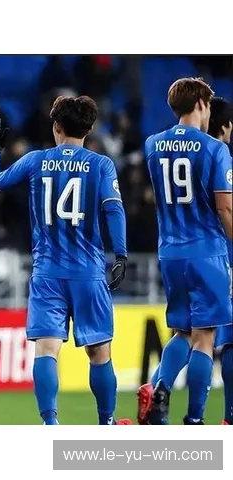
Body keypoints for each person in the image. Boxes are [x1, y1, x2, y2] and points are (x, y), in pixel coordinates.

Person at [0, 96, 131, 427]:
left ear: (56, 127)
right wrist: (120, 254)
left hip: (47, 272)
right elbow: (113, 209)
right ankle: (106, 423)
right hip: (88, 272)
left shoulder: (36, 160)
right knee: (99, 353)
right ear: (90, 129)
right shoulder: (101, 164)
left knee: (46, 350)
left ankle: (50, 425)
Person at [136, 96, 233, 427]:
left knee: (182, 332)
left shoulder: (155, 145)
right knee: (207, 337)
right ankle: (196, 420)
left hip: (171, 251)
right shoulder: (216, 151)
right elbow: (225, 208)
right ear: (202, 106)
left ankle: (158, 390)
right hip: (208, 252)